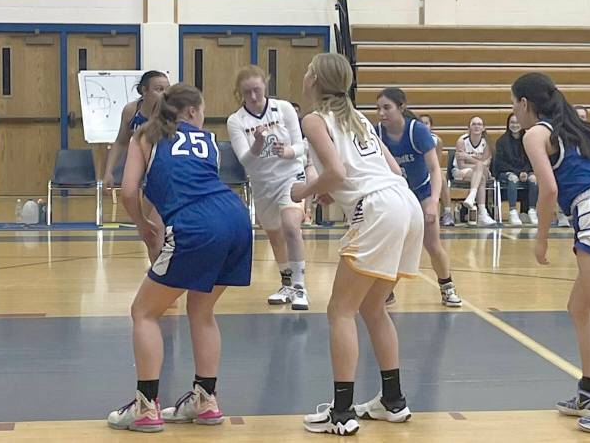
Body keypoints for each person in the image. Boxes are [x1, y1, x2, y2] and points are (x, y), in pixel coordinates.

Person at [291, 53, 423, 436]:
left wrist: (307, 191)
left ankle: (342, 413)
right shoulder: (359, 116)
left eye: (307, 70)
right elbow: (393, 169)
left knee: (340, 311)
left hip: (379, 209)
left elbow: (335, 171)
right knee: (373, 308)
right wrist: (337, 189)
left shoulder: (314, 119)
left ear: (315, 79)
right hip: (404, 202)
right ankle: (392, 401)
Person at [108, 84, 253, 432]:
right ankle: (206, 399)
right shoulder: (209, 142)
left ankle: (146, 406)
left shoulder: (144, 138)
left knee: (144, 312)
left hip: (196, 225)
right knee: (202, 310)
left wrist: (143, 223)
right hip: (237, 219)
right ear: (191, 112)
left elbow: (128, 191)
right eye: (201, 110)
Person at [513, 72, 590, 436]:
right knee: (578, 309)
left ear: (524, 103)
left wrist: (540, 239)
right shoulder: (573, 127)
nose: (513, 111)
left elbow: (549, 191)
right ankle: (589, 392)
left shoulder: (536, 133)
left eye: (513, 103)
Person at [227, 66, 312, 310]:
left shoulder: (283, 108)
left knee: (290, 225)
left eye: (256, 90)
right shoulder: (236, 121)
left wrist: (288, 152)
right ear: (240, 93)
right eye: (247, 93)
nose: (253, 97)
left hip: (290, 176)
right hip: (263, 183)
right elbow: (245, 159)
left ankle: (299, 287)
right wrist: (258, 143)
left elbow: (301, 145)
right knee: (274, 234)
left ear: (265, 85)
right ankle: (286, 282)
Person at [375, 88, 462, 308]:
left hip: (422, 191)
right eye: (378, 108)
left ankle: (447, 287)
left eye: (387, 107)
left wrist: (433, 201)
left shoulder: (418, 131)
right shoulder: (377, 133)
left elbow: (435, 169)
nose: (381, 113)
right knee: (393, 245)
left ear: (401, 107)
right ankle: (387, 292)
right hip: (396, 194)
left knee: (433, 245)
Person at [103, 70, 170, 189]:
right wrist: (109, 172)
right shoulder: (131, 111)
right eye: (159, 89)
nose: (164, 94)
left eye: (167, 89)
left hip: (163, 162)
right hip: (138, 160)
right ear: (144, 90)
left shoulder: (172, 113)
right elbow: (120, 143)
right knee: (130, 192)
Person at [493, 114, 539, 227]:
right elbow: (500, 163)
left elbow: (532, 159)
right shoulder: (501, 141)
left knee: (534, 179)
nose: (515, 125)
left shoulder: (528, 139)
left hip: (525, 172)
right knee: (512, 179)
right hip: (506, 172)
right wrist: (516, 173)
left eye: (517, 122)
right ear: (508, 124)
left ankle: (532, 210)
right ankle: (512, 211)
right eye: (512, 123)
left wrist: (526, 172)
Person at [452, 117, 495, 226]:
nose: (477, 126)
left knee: (480, 171)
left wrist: (468, 157)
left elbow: (486, 165)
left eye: (479, 124)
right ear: (469, 127)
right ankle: (482, 213)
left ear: (483, 128)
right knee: (481, 176)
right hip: (461, 171)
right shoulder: (462, 140)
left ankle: (472, 196)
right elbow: (461, 165)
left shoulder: (486, 143)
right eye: (474, 124)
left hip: (480, 172)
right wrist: (478, 163)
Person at [419, 114, 455, 227]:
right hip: (417, 171)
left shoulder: (437, 140)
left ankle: (447, 213)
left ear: (431, 126)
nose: (424, 126)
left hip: (430, 170)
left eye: (426, 123)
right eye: (422, 123)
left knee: (442, 178)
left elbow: (436, 163)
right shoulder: (414, 138)